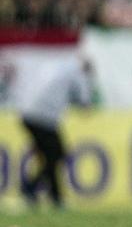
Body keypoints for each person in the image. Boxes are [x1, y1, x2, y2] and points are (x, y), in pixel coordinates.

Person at [16, 56, 94, 208]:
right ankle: (32, 189)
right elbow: (85, 102)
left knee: (52, 158)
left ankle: (52, 197)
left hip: (30, 115)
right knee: (57, 155)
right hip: (43, 118)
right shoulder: (79, 73)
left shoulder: (61, 68)